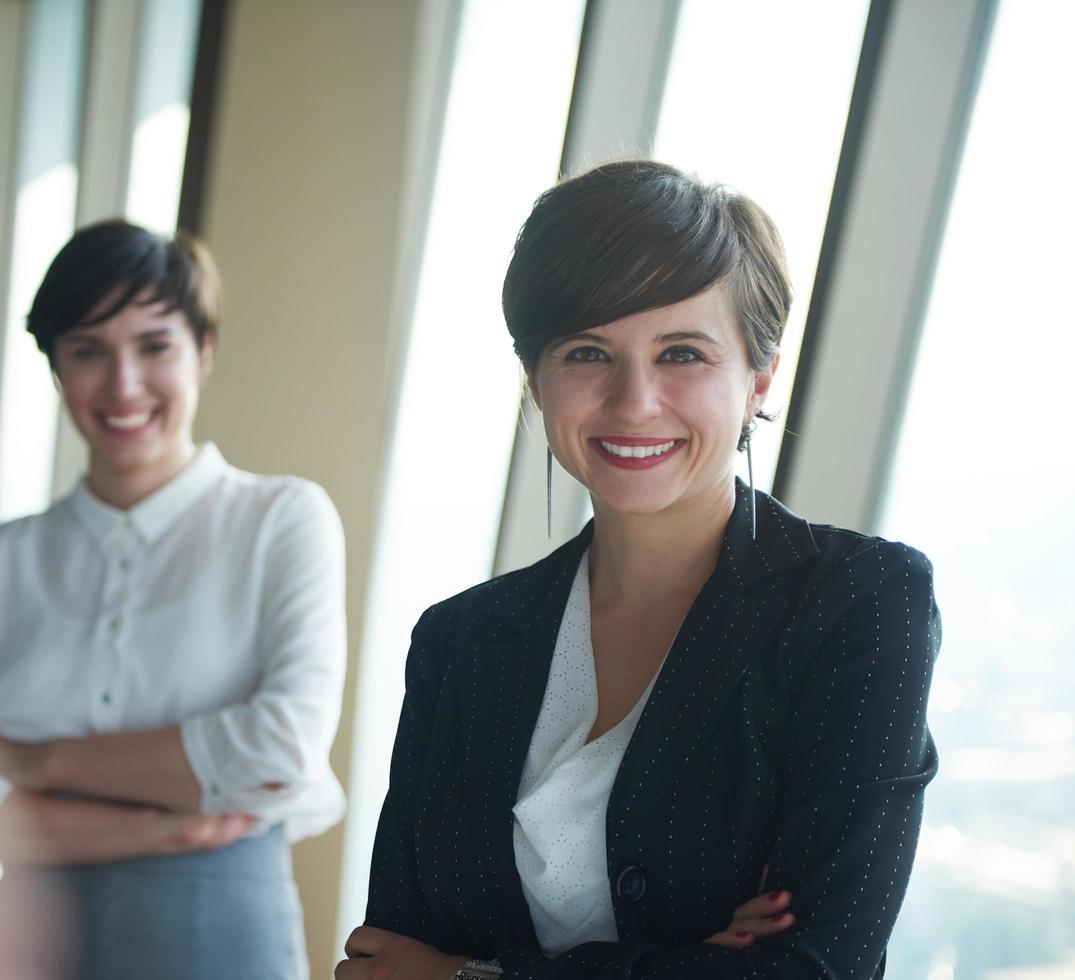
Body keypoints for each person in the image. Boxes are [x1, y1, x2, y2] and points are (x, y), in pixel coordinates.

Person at [337, 160, 940, 980]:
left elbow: (814, 967)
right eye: (588, 352)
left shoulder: (856, 604)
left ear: (759, 378)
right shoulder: (460, 640)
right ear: (535, 382)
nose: (632, 402)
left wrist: (472, 974)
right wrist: (685, 963)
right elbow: (382, 961)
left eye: (682, 353)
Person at [0, 220, 347, 980]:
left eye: (155, 346)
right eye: (88, 350)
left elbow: (280, 750)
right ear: (56, 369)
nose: (123, 385)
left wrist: (33, 762)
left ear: (204, 352)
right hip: (24, 936)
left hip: (219, 934)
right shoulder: (8, 560)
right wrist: (170, 826)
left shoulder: (281, 519)